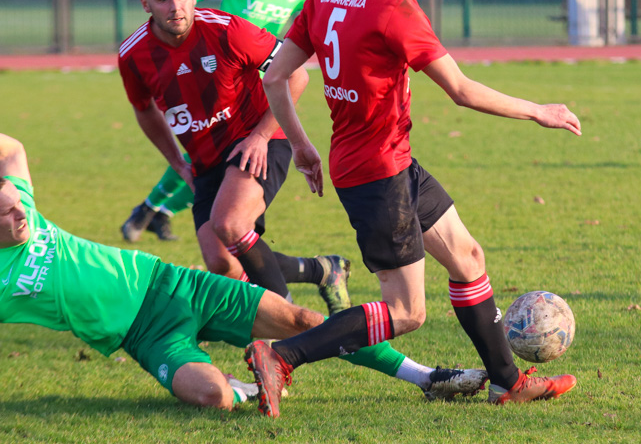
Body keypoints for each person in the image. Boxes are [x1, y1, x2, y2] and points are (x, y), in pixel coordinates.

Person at [254, 0, 581, 418]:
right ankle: (282, 357)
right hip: (377, 175)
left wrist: (300, 145)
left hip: (387, 163)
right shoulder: (394, 10)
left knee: (467, 257)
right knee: (407, 312)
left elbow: (274, 78)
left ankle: (507, 382)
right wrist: (539, 110)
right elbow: (462, 90)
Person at [117, 0, 486, 403]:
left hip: (261, 143)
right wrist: (177, 163)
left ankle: (282, 345)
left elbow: (292, 76)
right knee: (222, 265)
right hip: (208, 164)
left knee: (231, 227)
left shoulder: (228, 29)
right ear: (145, 4)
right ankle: (318, 271)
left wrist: (260, 135)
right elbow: (144, 112)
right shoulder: (132, 54)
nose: (175, 6)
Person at [0, 133, 485, 409]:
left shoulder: (23, 205)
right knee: (215, 400)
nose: (20, 214)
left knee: (306, 323)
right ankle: (255, 378)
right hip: (144, 338)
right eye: (7, 215)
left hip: (174, 285)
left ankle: (426, 377)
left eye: (18, 205)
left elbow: (14, 149)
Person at [121, 0, 318, 243]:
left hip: (256, 70)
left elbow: (309, 28)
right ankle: (154, 208)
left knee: (239, 160)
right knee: (202, 146)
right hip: (210, 63)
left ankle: (159, 211)